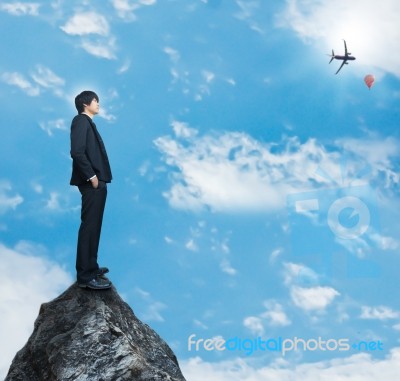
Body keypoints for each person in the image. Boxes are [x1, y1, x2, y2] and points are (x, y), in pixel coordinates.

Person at [70, 90, 112, 290]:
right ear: (86, 103)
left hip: (98, 181)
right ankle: (85, 277)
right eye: (96, 101)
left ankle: (91, 267)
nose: (98, 104)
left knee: (94, 226)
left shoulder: (88, 123)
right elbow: (77, 152)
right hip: (91, 182)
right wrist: (92, 177)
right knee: (89, 227)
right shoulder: (80, 121)